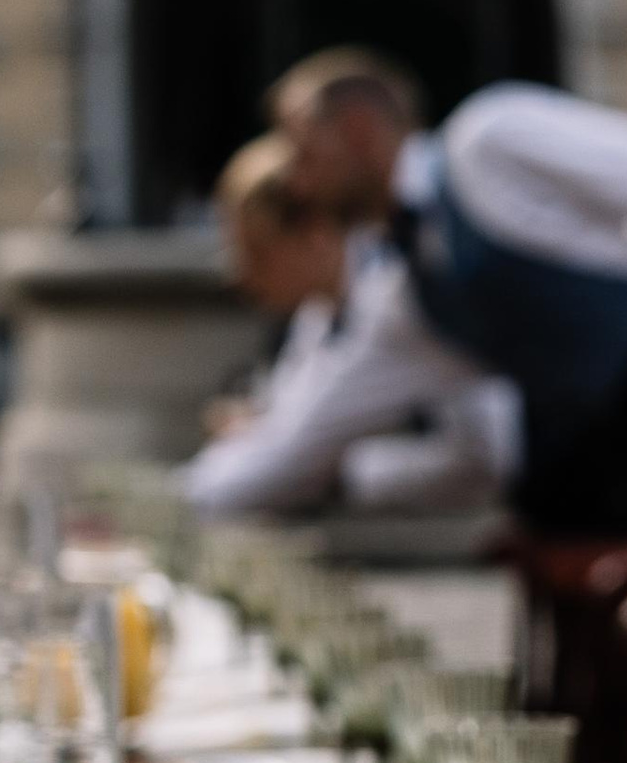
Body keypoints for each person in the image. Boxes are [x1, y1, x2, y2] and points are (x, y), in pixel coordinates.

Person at [267, 49, 627, 611]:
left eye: (303, 150)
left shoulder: (491, 141)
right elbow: (301, 440)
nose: (296, 181)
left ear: (360, 128)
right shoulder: (409, 292)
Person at [182, 133, 516, 517]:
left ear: (315, 235)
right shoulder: (319, 313)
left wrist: (342, 471)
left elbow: (488, 456)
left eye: (256, 253)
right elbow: (286, 437)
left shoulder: (397, 300)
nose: (242, 277)